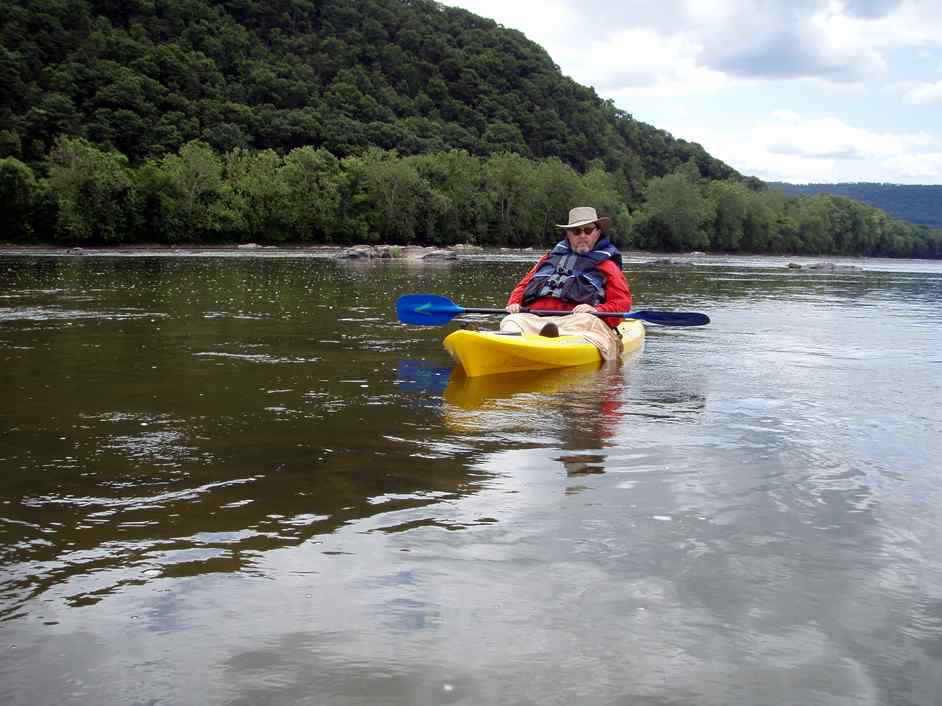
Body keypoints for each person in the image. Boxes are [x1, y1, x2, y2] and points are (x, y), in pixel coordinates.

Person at [501, 206, 632, 361]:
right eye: (576, 231)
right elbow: (522, 287)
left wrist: (596, 310)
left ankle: (553, 345)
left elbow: (622, 304)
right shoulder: (547, 259)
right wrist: (515, 304)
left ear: (597, 233)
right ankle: (516, 346)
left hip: (578, 323)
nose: (582, 235)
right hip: (535, 319)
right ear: (568, 234)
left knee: (585, 320)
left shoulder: (607, 266)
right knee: (511, 320)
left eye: (588, 230)